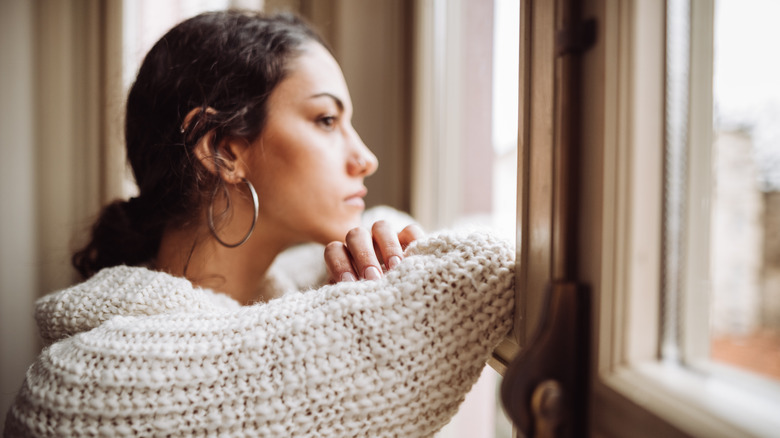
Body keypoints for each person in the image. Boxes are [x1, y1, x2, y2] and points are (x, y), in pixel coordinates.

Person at [4, 11, 515, 437]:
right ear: (223, 150)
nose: (366, 158)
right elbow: (478, 269)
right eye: (326, 120)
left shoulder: (296, 294)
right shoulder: (86, 384)